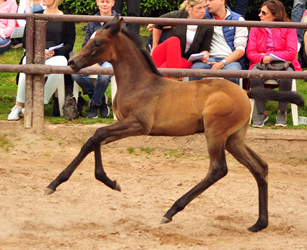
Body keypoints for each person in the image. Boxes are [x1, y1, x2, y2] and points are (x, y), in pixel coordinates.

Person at [8, 0, 76, 121]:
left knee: (60, 66)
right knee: (26, 68)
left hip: (56, 54)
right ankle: (18, 106)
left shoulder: (67, 18)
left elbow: (69, 44)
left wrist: (54, 52)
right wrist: (38, 51)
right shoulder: (35, 16)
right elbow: (26, 40)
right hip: (35, 53)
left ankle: (38, 104)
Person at [246, 0, 301, 128]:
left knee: (286, 77)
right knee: (254, 75)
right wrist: (261, 59)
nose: (260, 15)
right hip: (262, 62)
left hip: (284, 63)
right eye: (260, 12)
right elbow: (250, 52)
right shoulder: (255, 27)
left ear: (275, 15)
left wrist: (270, 56)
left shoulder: (288, 26)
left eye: (264, 13)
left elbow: (291, 52)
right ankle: (261, 112)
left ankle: (282, 112)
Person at [72, 0, 125, 119]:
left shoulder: (119, 21)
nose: (105, 4)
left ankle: (94, 105)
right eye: (102, 1)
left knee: (105, 74)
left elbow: (119, 46)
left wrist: (100, 61)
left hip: (110, 59)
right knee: (75, 74)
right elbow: (86, 44)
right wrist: (94, 61)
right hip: (93, 58)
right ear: (97, 3)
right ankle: (100, 99)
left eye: (108, 1)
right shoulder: (92, 21)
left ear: (113, 3)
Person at [189, 0, 248, 85]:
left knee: (233, 74)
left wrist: (222, 63)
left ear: (222, 1)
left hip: (230, 60)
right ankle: (196, 98)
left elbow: (240, 51)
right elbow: (185, 16)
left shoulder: (238, 19)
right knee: (194, 70)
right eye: (206, 0)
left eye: (210, 0)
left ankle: (231, 98)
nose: (207, 3)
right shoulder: (202, 17)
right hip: (208, 59)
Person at [151, 0, 213, 75]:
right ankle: (175, 78)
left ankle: (170, 78)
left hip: (184, 60)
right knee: (174, 40)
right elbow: (158, 23)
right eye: (199, 8)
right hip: (164, 54)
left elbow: (205, 49)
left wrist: (205, 55)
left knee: (166, 67)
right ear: (190, 7)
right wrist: (154, 47)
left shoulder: (208, 25)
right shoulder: (178, 15)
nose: (203, 11)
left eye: (204, 7)